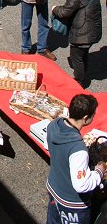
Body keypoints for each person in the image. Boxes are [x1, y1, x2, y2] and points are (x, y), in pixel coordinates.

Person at [46, 94, 106, 224]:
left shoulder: (53, 125)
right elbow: (81, 185)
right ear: (85, 118)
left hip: (53, 189)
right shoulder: (78, 149)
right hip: (71, 204)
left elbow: (50, 147)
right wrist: (99, 171)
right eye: (93, 115)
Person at [51, 0, 102, 87]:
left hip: (81, 32)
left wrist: (55, 9)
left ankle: (79, 81)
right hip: (92, 31)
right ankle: (84, 74)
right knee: (84, 53)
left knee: (76, 58)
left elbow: (65, 12)